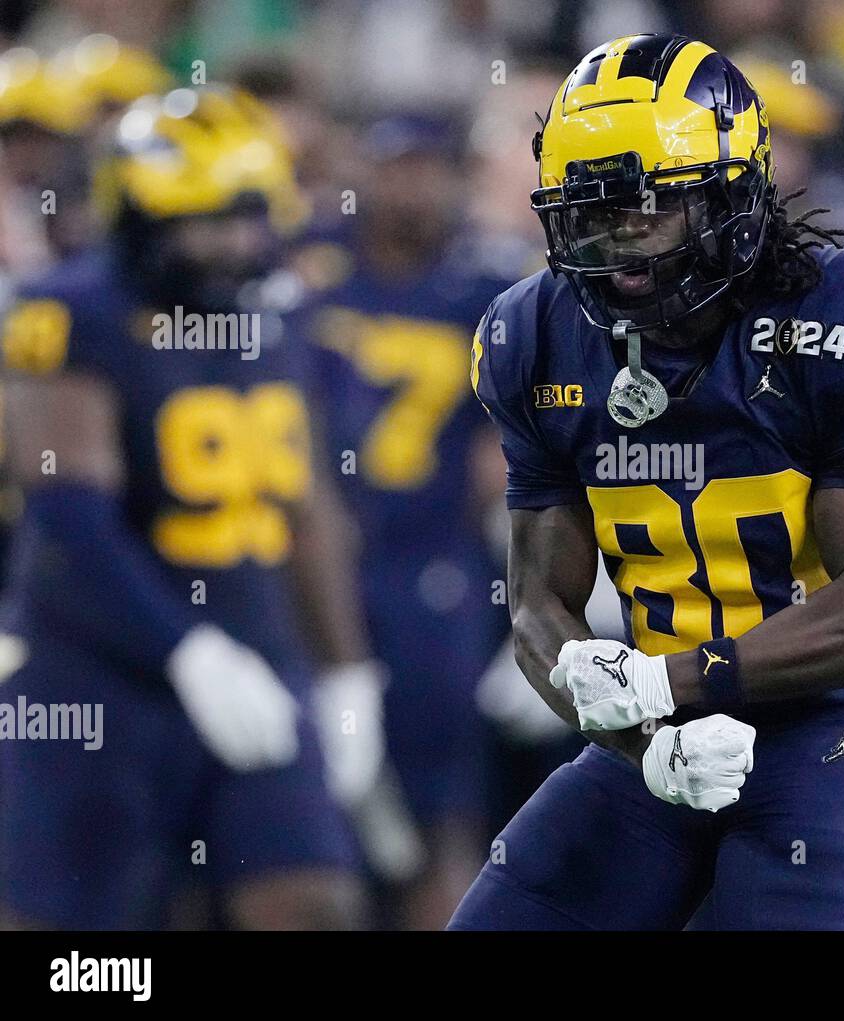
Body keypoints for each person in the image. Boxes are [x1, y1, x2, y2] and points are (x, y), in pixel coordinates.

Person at [450, 33, 844, 930]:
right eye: (590, 219)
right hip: (656, 734)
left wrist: (671, 682)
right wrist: (640, 735)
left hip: (817, 726)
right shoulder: (533, 339)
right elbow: (535, 609)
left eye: (648, 213)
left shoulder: (839, 318)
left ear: (736, 198)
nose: (620, 250)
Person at [0, 87, 381, 930]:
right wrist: (189, 651)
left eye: (249, 218)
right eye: (207, 221)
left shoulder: (280, 309)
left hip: (258, 649)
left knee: (313, 902)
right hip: (96, 670)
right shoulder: (69, 312)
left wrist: (348, 668)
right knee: (74, 942)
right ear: (135, 218)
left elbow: (308, 502)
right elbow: (68, 510)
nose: (234, 244)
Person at [307, 113, 515, 928]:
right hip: (315, 566)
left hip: (435, 569)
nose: (412, 187)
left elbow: (506, 455)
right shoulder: (311, 271)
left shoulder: (482, 288)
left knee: (437, 811)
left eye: (429, 168)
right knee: (309, 813)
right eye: (396, 168)